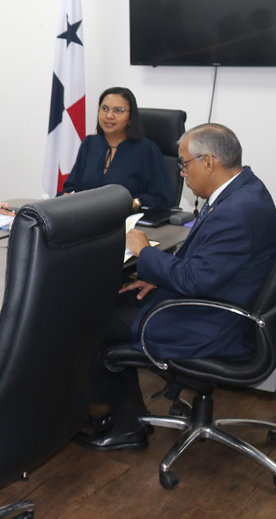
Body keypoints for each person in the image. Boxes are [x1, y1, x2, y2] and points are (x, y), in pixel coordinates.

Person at [74, 123, 276, 452]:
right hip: (216, 302)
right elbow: (208, 265)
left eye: (184, 164)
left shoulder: (238, 210)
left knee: (90, 321)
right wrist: (156, 274)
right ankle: (129, 418)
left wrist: (144, 252)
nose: (182, 173)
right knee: (113, 301)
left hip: (210, 323)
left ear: (208, 162)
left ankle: (124, 425)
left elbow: (195, 279)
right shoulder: (246, 191)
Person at [59, 87, 174, 210]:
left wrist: (134, 203)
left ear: (130, 117)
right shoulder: (90, 143)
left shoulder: (146, 150)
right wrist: (67, 196)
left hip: (127, 218)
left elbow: (163, 198)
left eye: (118, 111)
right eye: (104, 109)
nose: (109, 115)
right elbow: (72, 186)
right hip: (88, 216)